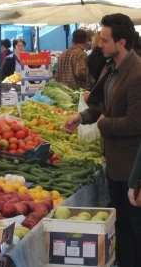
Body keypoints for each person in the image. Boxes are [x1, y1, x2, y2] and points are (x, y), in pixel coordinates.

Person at [63, 13, 141, 267]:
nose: (99, 44)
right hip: (115, 164)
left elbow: (135, 123)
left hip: (132, 168)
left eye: (105, 40)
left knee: (135, 228)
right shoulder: (111, 68)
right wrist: (81, 116)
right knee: (123, 229)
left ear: (121, 42)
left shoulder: (137, 74)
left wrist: (103, 124)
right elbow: (99, 104)